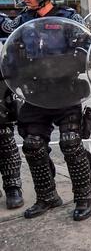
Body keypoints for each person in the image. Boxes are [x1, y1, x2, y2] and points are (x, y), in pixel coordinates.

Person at [8, 0, 91, 220]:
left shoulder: (69, 18)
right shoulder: (22, 21)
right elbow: (11, 55)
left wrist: (55, 65)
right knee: (33, 145)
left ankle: (83, 198)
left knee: (71, 143)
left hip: (66, 92)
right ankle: (47, 196)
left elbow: (87, 54)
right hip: (35, 94)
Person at [0, 12, 23, 210]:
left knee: (5, 138)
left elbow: (16, 44)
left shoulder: (3, 22)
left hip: (0, 86)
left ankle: (12, 186)